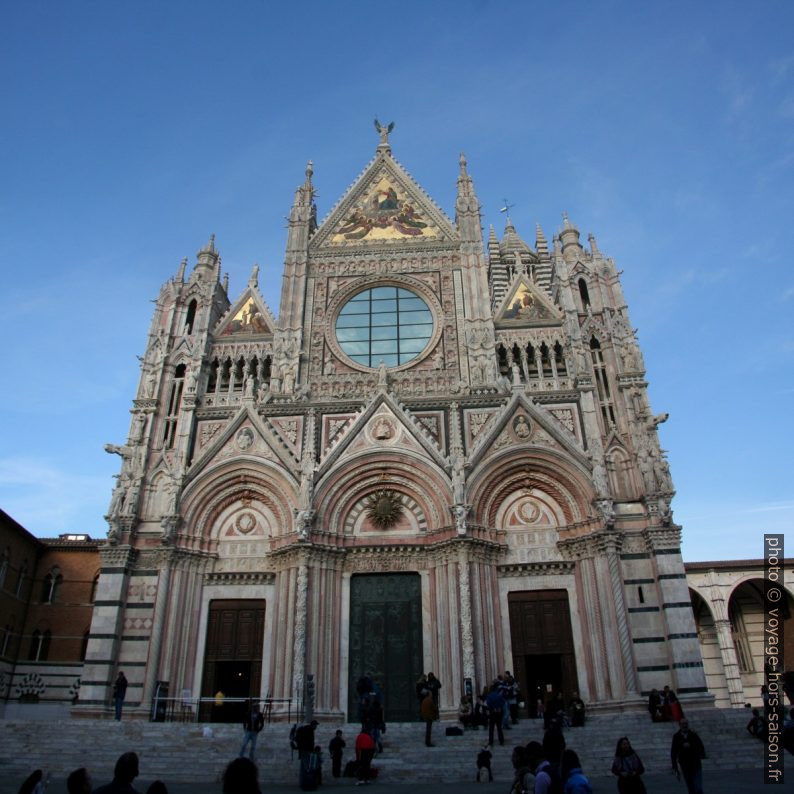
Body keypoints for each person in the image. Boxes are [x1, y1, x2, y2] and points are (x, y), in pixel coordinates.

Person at [671, 718, 706, 794]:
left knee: (698, 787)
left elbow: (700, 745)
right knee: (690, 787)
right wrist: (674, 765)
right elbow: (674, 751)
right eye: (683, 724)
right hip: (685, 765)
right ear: (679, 725)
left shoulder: (693, 734)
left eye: (686, 723)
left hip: (695, 764)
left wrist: (691, 746)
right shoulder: (676, 736)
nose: (685, 725)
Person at [295, 720, 319, 788]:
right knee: (306, 767)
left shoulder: (305, 729)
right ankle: (307, 783)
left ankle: (302, 783)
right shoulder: (310, 730)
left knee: (303, 767)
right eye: (316, 725)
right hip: (306, 751)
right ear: (313, 725)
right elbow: (310, 742)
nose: (316, 727)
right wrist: (311, 750)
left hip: (302, 750)